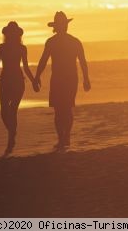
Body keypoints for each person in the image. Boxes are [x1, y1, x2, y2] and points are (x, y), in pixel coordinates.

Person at [34, 11, 91, 151]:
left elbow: (83, 61)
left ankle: (64, 137)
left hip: (64, 79)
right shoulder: (69, 42)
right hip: (65, 79)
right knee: (63, 109)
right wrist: (36, 77)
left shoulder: (57, 42)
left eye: (63, 24)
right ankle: (63, 137)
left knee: (62, 109)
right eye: (62, 25)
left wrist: (86, 79)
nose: (63, 27)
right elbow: (43, 61)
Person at [0, 21, 35, 156]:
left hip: (17, 81)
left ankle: (11, 138)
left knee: (12, 110)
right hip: (5, 81)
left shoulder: (22, 48)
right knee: (4, 112)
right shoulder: (1, 48)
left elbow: (26, 67)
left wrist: (33, 81)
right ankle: (12, 133)